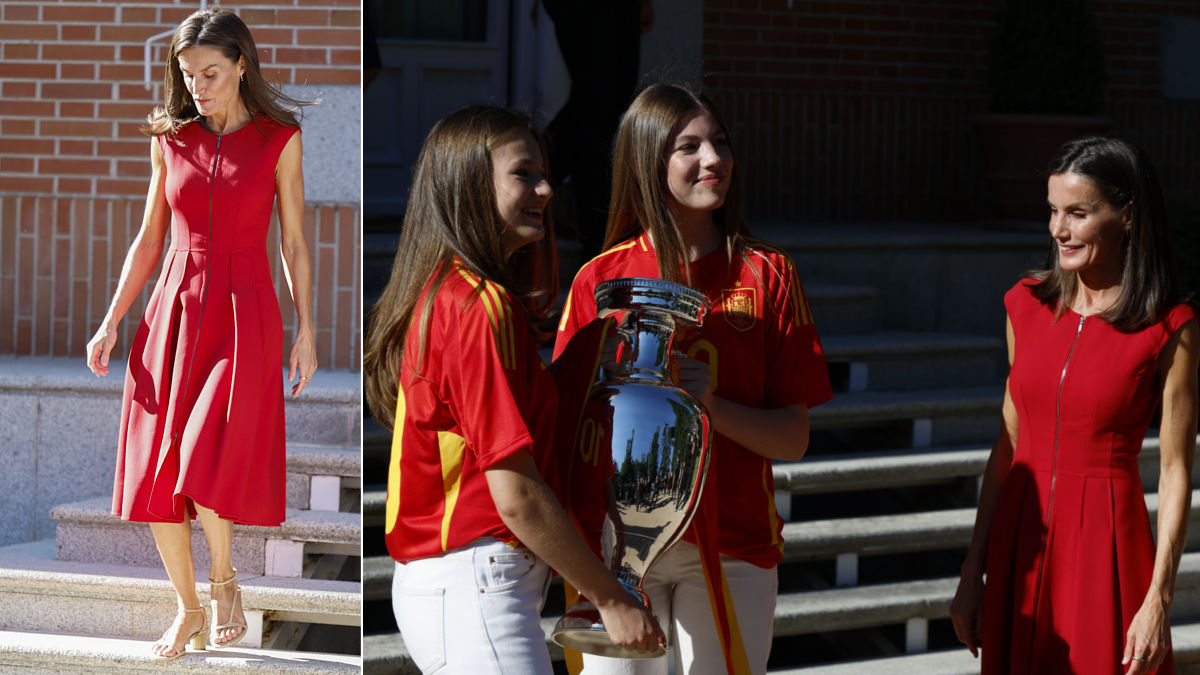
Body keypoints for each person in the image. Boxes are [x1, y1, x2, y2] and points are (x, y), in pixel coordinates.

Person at [363, 104, 662, 674]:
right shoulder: (476, 304)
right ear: (470, 184)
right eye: (523, 173)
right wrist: (611, 597)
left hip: (467, 583)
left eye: (543, 172)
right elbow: (516, 494)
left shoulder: (451, 292)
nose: (547, 189)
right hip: (473, 581)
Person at [553, 83, 833, 675]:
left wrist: (707, 405)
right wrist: (597, 389)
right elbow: (558, 426)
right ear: (646, 162)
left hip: (734, 545)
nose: (714, 159)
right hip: (613, 547)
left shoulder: (770, 274)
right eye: (689, 146)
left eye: (721, 143)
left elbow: (794, 438)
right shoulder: (600, 281)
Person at [84, 7, 317, 660]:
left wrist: (308, 328)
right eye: (188, 76)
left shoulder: (279, 138)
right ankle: (187, 606)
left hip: (243, 316)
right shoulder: (168, 136)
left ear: (242, 65)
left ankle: (225, 582)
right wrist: (110, 321)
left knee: (203, 450)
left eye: (211, 73)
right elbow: (150, 237)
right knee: (156, 470)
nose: (198, 87)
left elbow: (294, 243)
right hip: (173, 314)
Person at [950, 136, 1198, 675]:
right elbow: (1008, 444)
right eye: (1053, 212)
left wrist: (1159, 598)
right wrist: (973, 570)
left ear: (1127, 216)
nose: (1058, 230)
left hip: (1108, 547)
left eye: (1078, 213)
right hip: (1023, 541)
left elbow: (1176, 469)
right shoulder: (1024, 306)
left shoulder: (1170, 327)